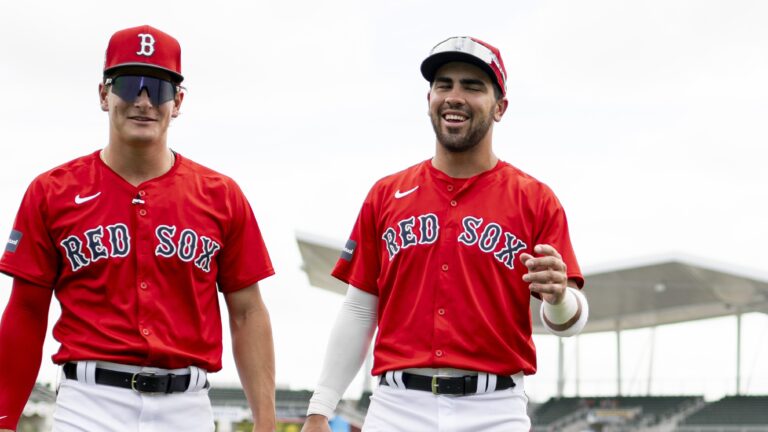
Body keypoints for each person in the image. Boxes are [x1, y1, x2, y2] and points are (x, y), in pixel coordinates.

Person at [301, 36, 590, 432]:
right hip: (397, 408)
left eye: (472, 86)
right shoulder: (386, 194)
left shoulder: (535, 199)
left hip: (495, 410)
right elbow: (359, 309)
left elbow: (569, 322)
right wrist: (321, 407)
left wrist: (558, 297)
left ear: (500, 107)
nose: (455, 96)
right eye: (444, 84)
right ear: (429, 98)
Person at [0, 25, 276, 432]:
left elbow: (247, 312)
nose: (143, 101)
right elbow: (25, 309)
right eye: (129, 85)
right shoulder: (52, 191)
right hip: (89, 404)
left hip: (187, 406)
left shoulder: (221, 195)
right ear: (103, 95)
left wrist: (266, 421)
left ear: (178, 102)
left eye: (159, 88)